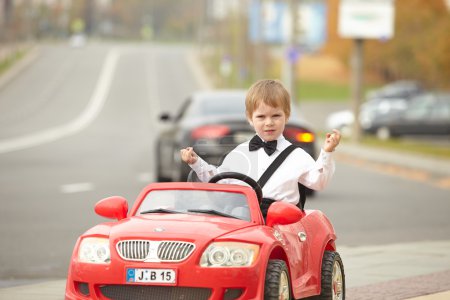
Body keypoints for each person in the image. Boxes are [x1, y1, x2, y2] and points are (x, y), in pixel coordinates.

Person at [180, 79, 341, 215]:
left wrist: (327, 152)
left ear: (287, 115)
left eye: (276, 116)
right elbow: (218, 180)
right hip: (245, 219)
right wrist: (196, 162)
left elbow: (318, 182)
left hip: (281, 222)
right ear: (250, 119)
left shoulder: (296, 156)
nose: (269, 122)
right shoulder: (240, 153)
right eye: (261, 117)